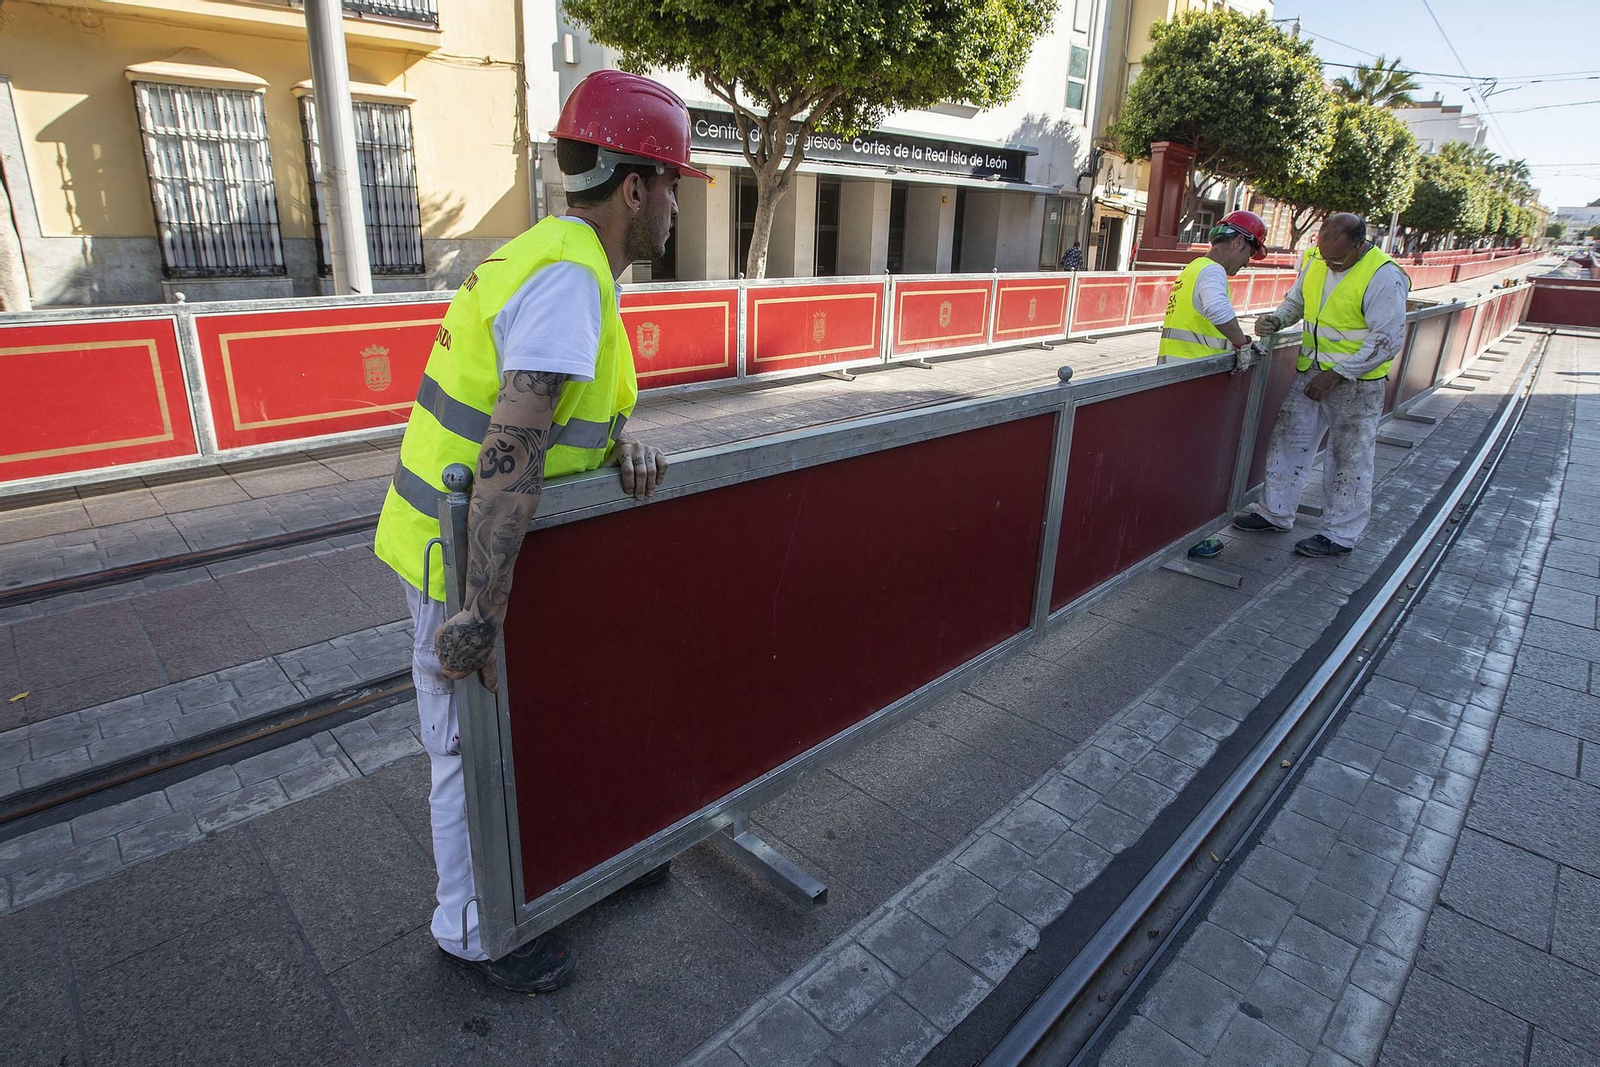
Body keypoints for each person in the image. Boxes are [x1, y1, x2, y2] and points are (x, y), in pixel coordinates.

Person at [371, 69, 709, 993]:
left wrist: (618, 446)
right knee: (465, 746)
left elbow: (550, 419)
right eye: (672, 184)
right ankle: (474, 932)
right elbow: (511, 447)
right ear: (633, 187)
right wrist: (478, 615)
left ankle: (575, 867)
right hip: (456, 560)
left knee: (532, 725)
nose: (676, 206)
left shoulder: (557, 257)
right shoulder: (569, 277)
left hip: (474, 548)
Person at [1232, 213, 1410, 558]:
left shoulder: (1384, 275)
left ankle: (1340, 534)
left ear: (1360, 244)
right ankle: (1275, 512)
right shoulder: (1315, 259)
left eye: (1338, 259)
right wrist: (1278, 319)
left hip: (1356, 383)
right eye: (1326, 256)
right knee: (1288, 440)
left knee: (1349, 458)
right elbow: (1298, 301)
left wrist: (1338, 374)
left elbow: (1387, 339)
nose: (1330, 263)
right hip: (1311, 371)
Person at [1158, 209, 1268, 559]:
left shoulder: (1192, 269)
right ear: (1237, 243)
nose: (1247, 263)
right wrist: (1242, 343)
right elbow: (1218, 311)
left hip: (1178, 380)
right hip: (1195, 384)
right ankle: (1188, 537)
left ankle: (1173, 533)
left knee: (1180, 462)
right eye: (1249, 253)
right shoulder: (1211, 271)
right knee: (1194, 465)